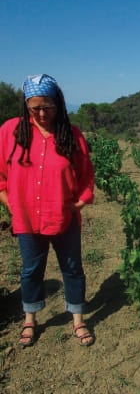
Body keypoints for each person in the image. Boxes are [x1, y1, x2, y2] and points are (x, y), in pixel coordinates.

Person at [0, 74, 95, 347]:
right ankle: (30, 319)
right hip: (27, 219)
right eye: (35, 108)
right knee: (31, 270)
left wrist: (79, 203)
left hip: (64, 218)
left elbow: (86, 176)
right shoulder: (10, 131)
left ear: (58, 104)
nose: (42, 114)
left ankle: (78, 319)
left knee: (72, 268)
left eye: (48, 107)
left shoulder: (71, 135)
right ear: (26, 105)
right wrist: (10, 203)